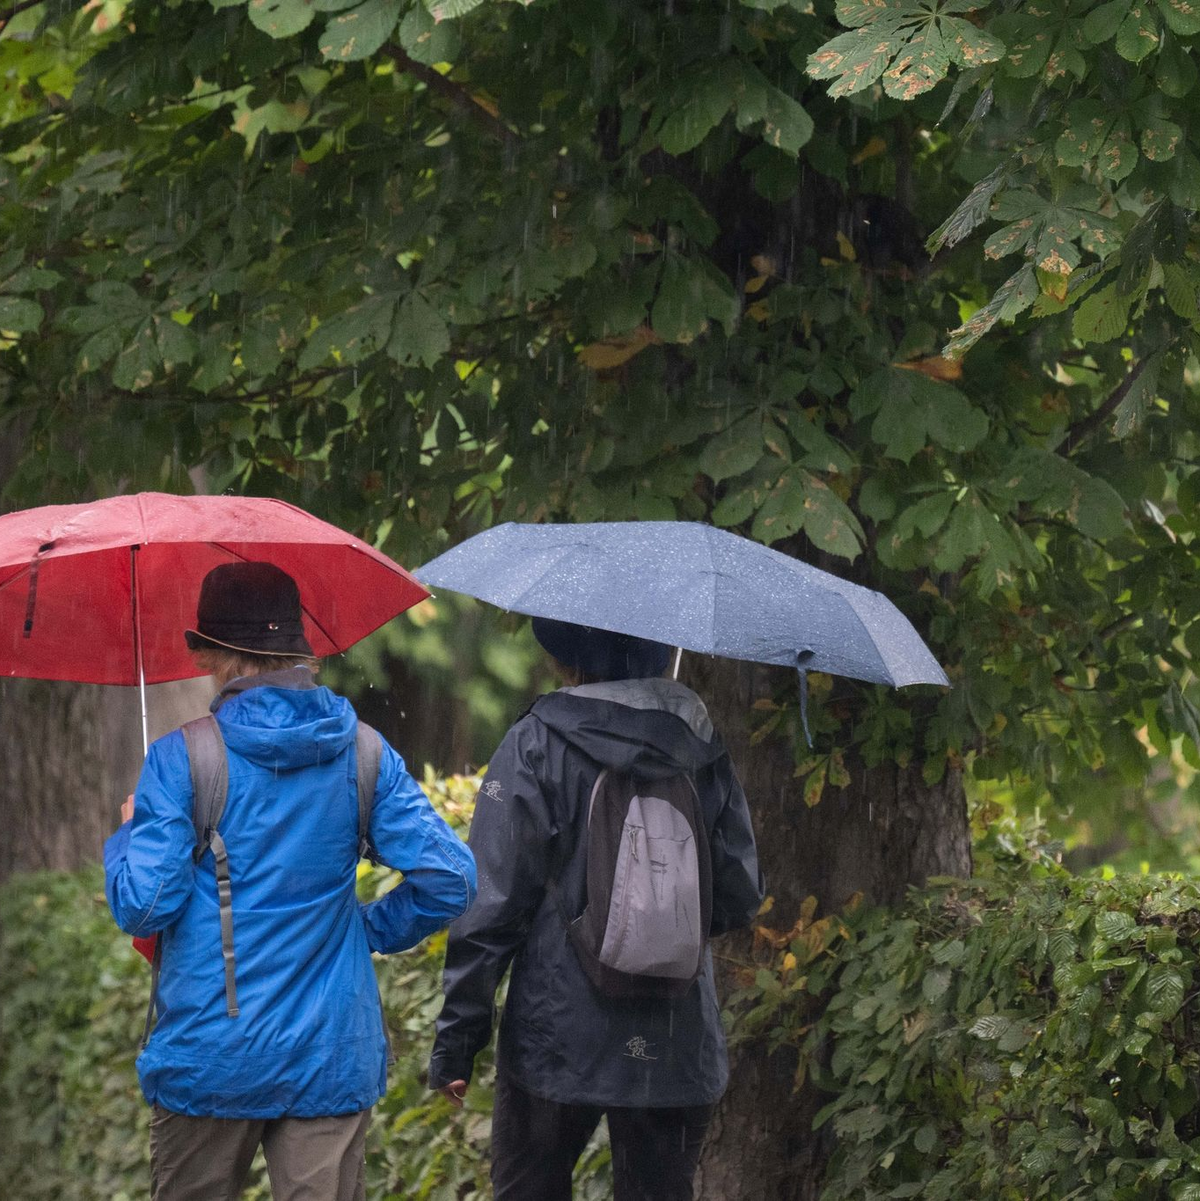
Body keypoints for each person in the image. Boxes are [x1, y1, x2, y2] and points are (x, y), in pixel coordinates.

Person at [104, 561, 477, 1201]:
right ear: (301, 647)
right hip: (330, 1053)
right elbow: (451, 879)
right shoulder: (364, 753)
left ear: (208, 654)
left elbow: (144, 907)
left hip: (209, 1057)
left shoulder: (180, 758)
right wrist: (366, 930)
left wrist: (127, 837)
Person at [428, 617, 764, 1201]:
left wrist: (458, 1040)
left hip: (558, 1036)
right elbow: (737, 896)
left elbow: (490, 906)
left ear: (565, 654)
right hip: (675, 1037)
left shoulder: (537, 740)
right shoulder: (701, 746)